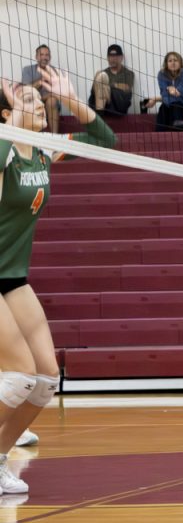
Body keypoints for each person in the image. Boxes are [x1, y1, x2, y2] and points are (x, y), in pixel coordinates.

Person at [0, 68, 116, 494]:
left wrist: (71, 100)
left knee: (46, 379)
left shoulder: (46, 150)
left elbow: (107, 142)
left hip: (12, 276)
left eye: (39, 99)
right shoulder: (4, 148)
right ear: (7, 113)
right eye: (27, 100)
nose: (38, 105)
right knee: (18, 377)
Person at [88, 43, 135, 116]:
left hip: (119, 106)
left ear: (121, 58)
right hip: (105, 106)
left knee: (102, 82)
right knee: (100, 75)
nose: (113, 59)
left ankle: (98, 119)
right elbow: (93, 91)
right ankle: (99, 116)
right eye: (110, 56)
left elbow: (126, 88)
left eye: (115, 56)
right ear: (107, 58)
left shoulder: (128, 73)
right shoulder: (103, 73)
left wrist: (107, 86)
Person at [19, 46, 58, 134]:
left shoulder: (55, 71)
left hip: (49, 104)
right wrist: (42, 80)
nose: (44, 57)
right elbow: (26, 90)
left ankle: (55, 136)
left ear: (50, 57)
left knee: (52, 100)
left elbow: (57, 94)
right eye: (41, 55)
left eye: (47, 55)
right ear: (36, 57)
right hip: (31, 101)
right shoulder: (27, 70)